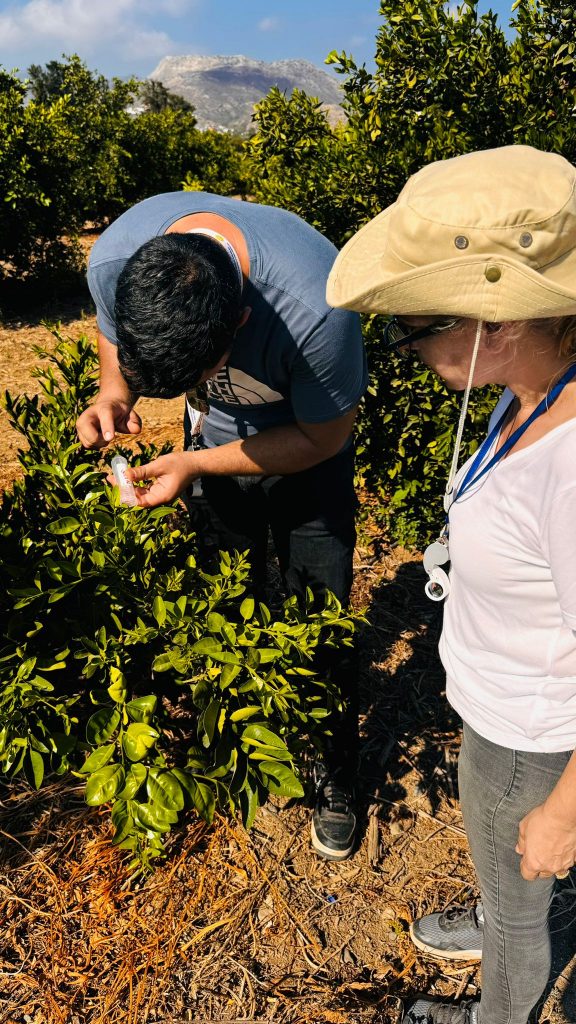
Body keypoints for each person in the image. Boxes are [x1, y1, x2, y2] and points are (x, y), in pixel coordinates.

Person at [327, 145, 576, 1024]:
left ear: (495, 324)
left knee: (518, 917)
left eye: (417, 328)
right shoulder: (536, 384)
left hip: (527, 742)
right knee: (513, 887)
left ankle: (493, 1010)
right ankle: (508, 906)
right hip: (508, 710)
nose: (405, 348)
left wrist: (563, 812)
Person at [76, 192, 368, 862]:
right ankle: (242, 741)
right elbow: (110, 337)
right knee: (223, 600)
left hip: (306, 454)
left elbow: (324, 436)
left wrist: (192, 462)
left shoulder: (318, 303)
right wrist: (112, 394)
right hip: (206, 445)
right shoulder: (117, 256)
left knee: (317, 615)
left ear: (238, 322)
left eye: (199, 373)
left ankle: (333, 771)